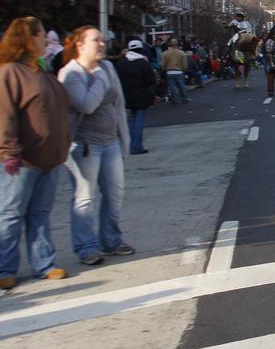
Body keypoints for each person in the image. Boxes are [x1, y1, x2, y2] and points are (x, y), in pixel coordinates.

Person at [0, 17, 71, 288]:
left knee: (39, 213)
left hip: (49, 158)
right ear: (28, 39)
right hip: (21, 160)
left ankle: (44, 263)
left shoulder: (41, 71)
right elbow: (4, 114)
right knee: (10, 213)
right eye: (42, 35)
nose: (47, 39)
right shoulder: (10, 72)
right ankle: (4, 268)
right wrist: (8, 151)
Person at [59, 26, 135, 265]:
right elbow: (86, 105)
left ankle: (111, 241)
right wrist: (100, 78)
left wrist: (125, 139)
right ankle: (86, 247)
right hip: (85, 145)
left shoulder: (109, 67)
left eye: (103, 40)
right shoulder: (71, 74)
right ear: (80, 45)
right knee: (84, 198)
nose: (102, 44)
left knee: (114, 193)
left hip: (110, 141)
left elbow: (118, 105)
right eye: (96, 40)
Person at [114, 39, 157, 155]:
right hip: (141, 94)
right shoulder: (143, 63)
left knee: (132, 119)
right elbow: (151, 80)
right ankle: (136, 145)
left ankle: (128, 144)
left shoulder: (121, 63)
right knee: (139, 119)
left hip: (126, 94)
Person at [160, 38, 189, 104]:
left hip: (169, 71)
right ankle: (184, 98)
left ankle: (175, 99)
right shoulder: (181, 53)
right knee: (181, 86)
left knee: (172, 87)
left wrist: (164, 69)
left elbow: (162, 64)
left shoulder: (165, 53)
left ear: (170, 44)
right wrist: (184, 69)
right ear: (177, 44)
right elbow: (185, 64)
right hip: (179, 71)